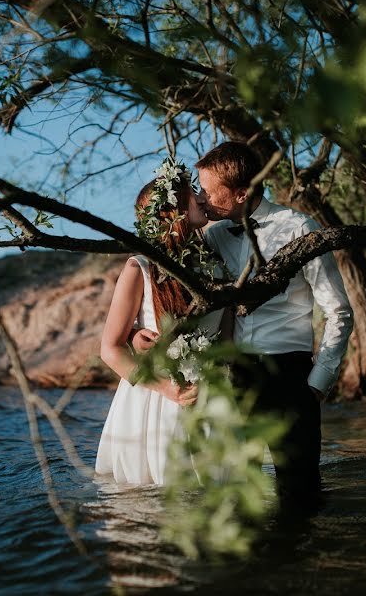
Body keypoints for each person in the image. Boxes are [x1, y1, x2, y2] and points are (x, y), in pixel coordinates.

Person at [133, 142, 354, 505]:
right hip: (229, 380)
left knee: (299, 496)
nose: (201, 198)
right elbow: (165, 274)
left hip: (289, 375)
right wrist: (134, 331)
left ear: (240, 194)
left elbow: (339, 311)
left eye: (207, 190)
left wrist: (318, 384)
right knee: (234, 495)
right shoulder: (212, 235)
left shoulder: (299, 228)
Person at [95, 157, 224, 485]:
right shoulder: (140, 268)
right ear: (175, 211)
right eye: (191, 192)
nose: (199, 197)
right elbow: (110, 349)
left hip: (211, 392)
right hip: (158, 398)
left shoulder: (215, 265)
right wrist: (166, 388)